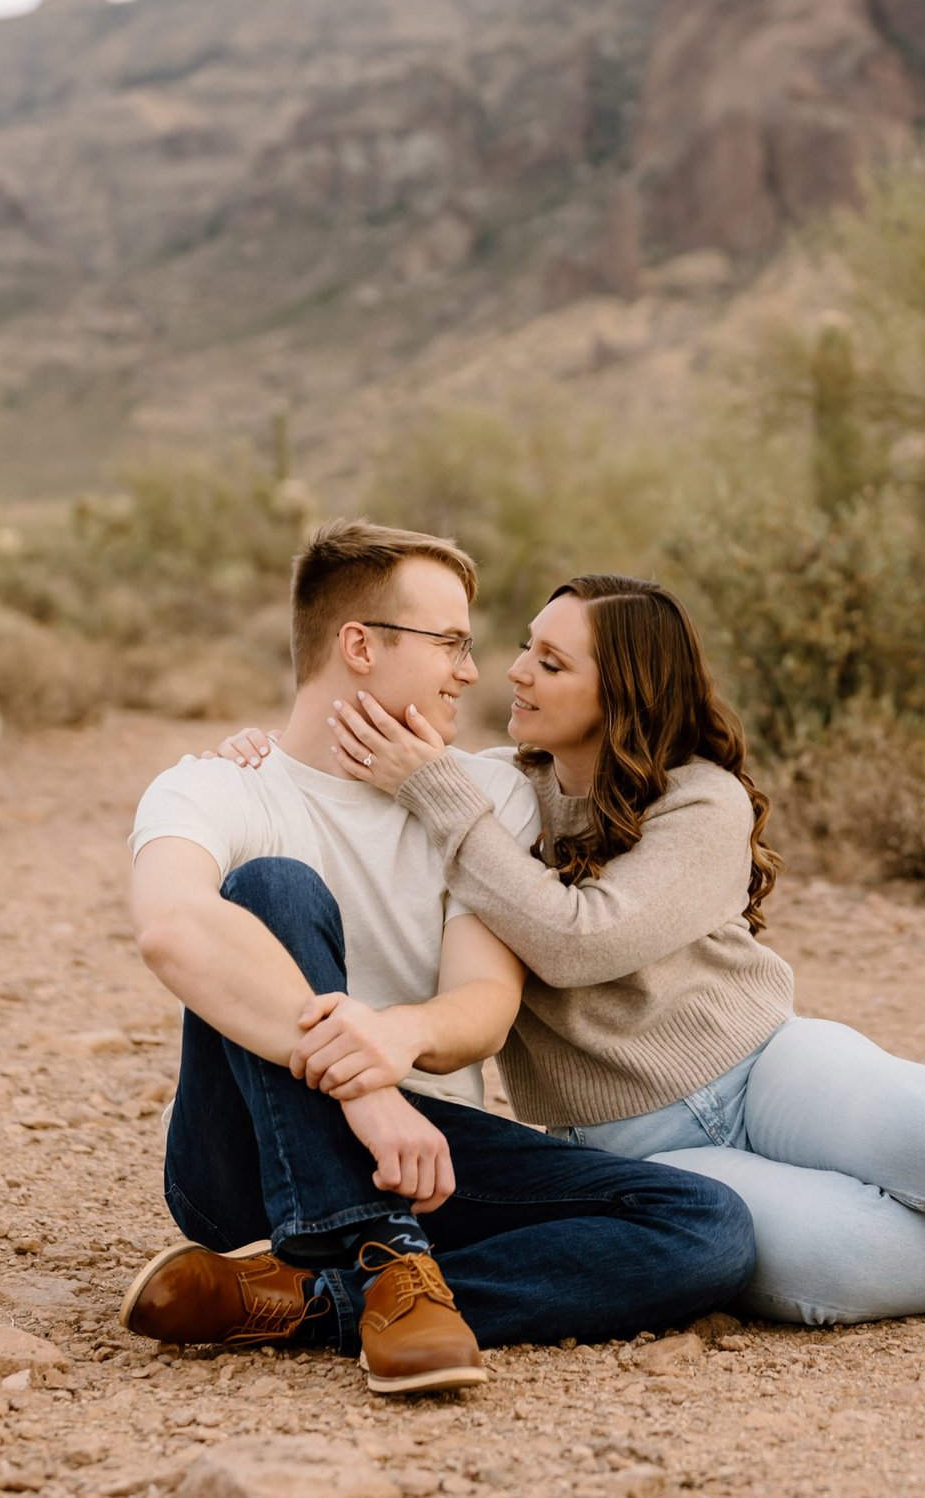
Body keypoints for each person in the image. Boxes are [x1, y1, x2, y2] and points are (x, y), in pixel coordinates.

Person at [210, 572, 925, 1330]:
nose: (513, 672)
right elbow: (363, 787)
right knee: (795, 1268)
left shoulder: (699, 801)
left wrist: (433, 793)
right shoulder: (488, 794)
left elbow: (585, 940)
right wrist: (274, 752)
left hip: (766, 1065)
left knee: (923, 1121)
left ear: (624, 692)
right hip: (622, 1131)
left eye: (549, 661)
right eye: (520, 648)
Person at [124, 526, 755, 1395]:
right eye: (452, 643)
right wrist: (371, 1092)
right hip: (246, 1171)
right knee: (272, 888)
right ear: (359, 646)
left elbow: (482, 1009)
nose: (474, 669)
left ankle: (328, 1294)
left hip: (426, 1158)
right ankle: (386, 1251)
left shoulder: (486, 795)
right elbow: (170, 925)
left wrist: (397, 1050)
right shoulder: (216, 787)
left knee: (705, 1226)